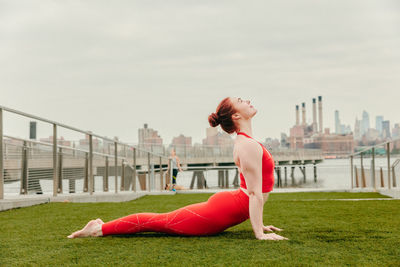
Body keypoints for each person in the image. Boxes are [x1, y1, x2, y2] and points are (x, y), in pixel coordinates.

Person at [68, 97, 288, 240]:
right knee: (160, 221)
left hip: (228, 206)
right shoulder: (247, 144)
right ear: (236, 116)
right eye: (241, 101)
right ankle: (99, 229)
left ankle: (101, 226)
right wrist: (259, 233)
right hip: (217, 213)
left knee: (161, 220)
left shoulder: (247, 142)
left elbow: (253, 193)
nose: (247, 100)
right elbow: (253, 193)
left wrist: (259, 224)